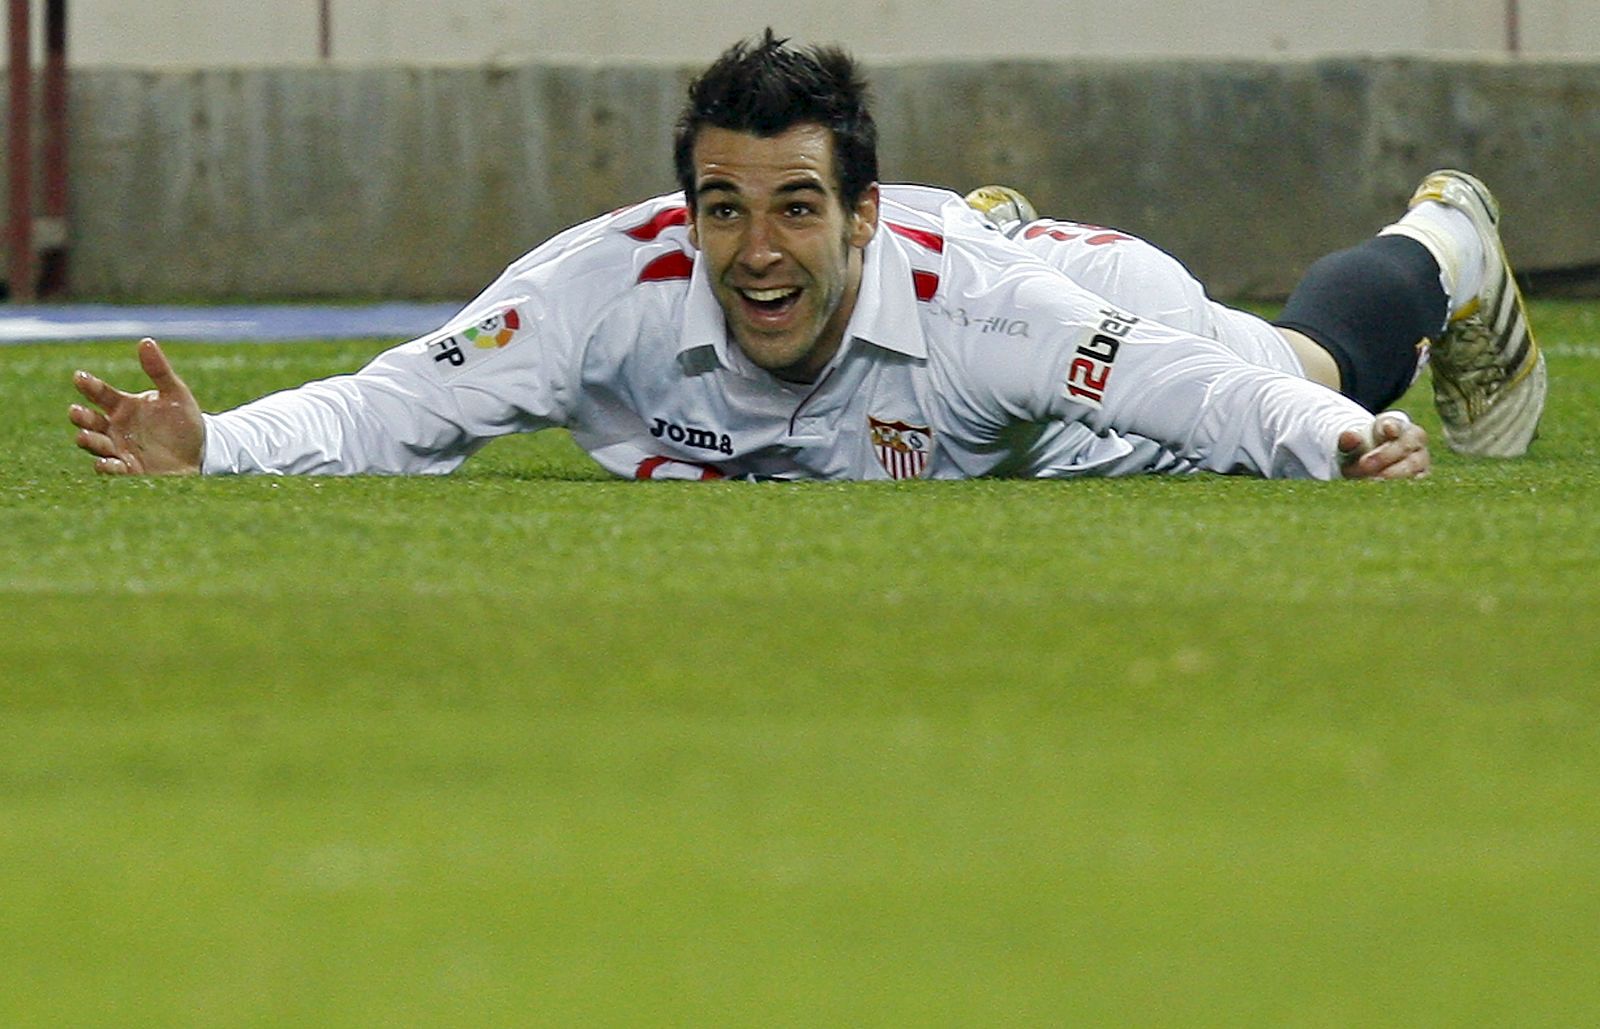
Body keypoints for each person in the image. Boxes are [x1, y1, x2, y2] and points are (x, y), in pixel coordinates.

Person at [69, 32, 1542, 483]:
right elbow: (394, 404)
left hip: (1069, 308)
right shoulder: (605, 286)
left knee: (1300, 354)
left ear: (856, 212)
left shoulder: (990, 319)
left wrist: (1342, 436)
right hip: (967, 276)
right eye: (725, 208)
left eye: (792, 210)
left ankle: (1443, 239)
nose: (752, 252)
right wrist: (215, 448)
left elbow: (1168, 381)